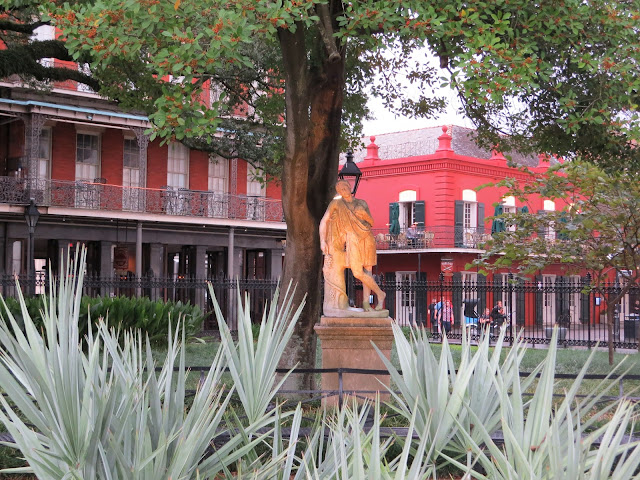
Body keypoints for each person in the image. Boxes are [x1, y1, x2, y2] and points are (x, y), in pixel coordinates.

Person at [319, 179, 386, 315]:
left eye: (345, 188)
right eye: (341, 190)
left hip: (366, 238)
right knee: (357, 272)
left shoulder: (361, 203)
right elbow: (324, 221)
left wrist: (363, 214)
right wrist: (322, 241)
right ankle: (380, 294)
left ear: (350, 187)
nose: (344, 191)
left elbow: (371, 222)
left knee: (367, 270)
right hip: (352, 240)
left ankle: (366, 304)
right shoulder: (336, 203)